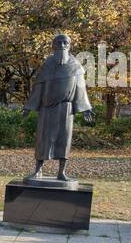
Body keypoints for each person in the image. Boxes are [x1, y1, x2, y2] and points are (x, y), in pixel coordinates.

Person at [25, 33, 94, 182]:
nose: (62, 45)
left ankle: (61, 172)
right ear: (53, 46)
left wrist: (85, 107)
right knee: (43, 139)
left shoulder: (76, 66)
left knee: (64, 139)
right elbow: (38, 88)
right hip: (47, 109)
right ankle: (38, 170)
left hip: (66, 110)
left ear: (69, 46)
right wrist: (29, 107)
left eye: (65, 42)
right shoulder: (47, 65)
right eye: (59, 42)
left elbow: (81, 89)